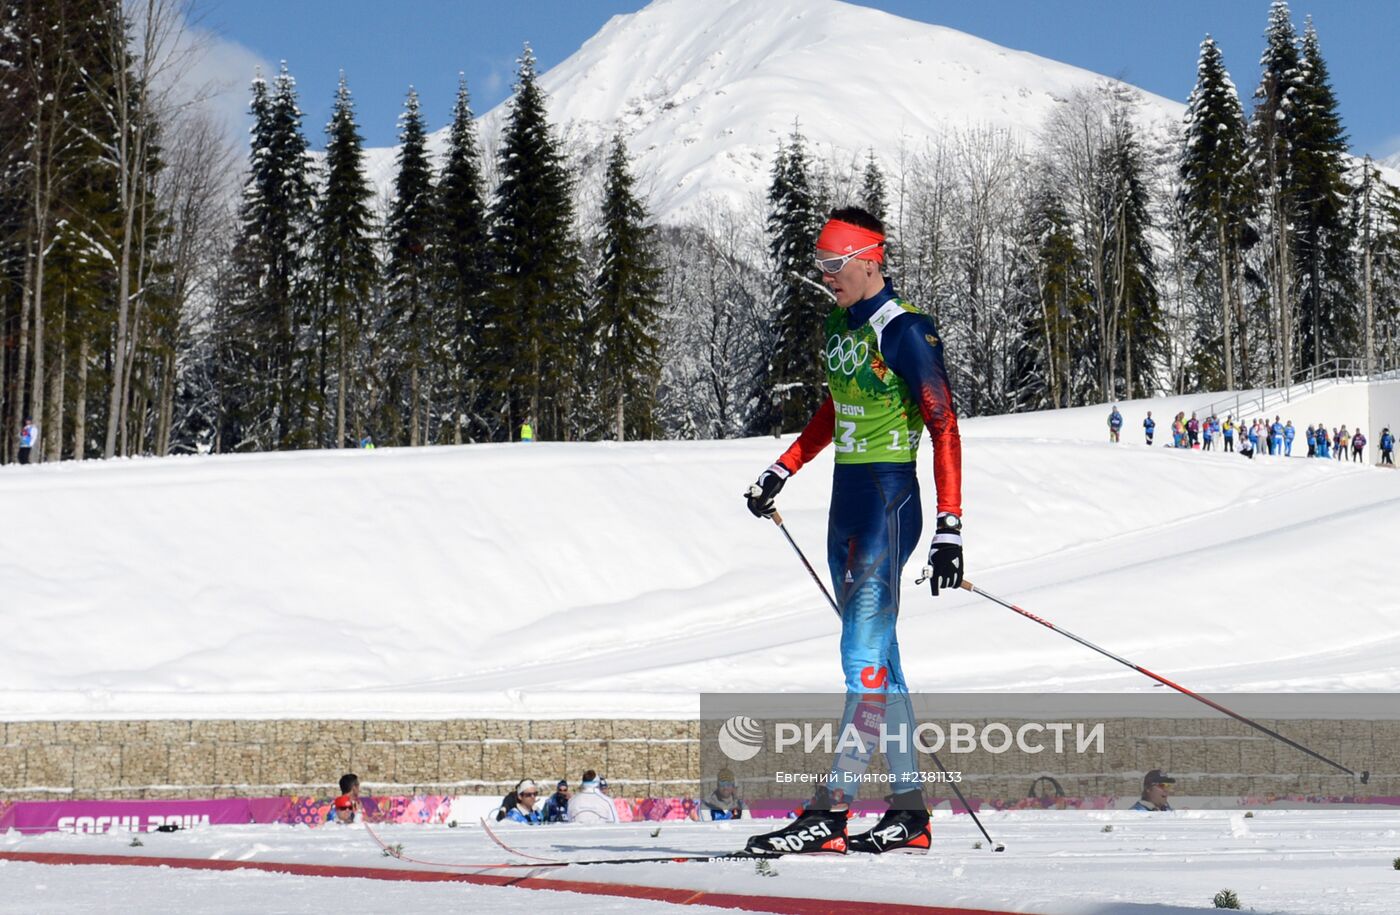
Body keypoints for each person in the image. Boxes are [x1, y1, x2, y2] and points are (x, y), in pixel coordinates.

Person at [742, 207, 960, 857]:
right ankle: (909, 812)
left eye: (833, 265)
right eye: (819, 265)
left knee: (859, 660)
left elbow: (944, 424)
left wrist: (950, 525)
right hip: (845, 503)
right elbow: (839, 404)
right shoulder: (840, 327)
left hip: (889, 503)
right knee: (880, 663)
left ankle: (828, 813)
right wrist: (783, 466)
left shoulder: (908, 331)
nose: (825, 276)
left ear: (870, 258)